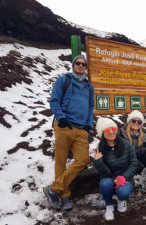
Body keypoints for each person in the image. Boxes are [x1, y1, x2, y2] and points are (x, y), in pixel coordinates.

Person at [43, 55, 94, 210]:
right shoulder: (63, 80)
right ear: (73, 65)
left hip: (81, 130)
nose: (80, 66)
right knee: (61, 161)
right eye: (78, 63)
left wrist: (88, 125)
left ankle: (54, 189)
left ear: (86, 68)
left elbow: (91, 107)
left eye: (83, 64)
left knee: (83, 159)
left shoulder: (89, 86)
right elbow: (54, 100)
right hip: (64, 125)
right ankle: (64, 196)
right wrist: (61, 117)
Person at [93, 118, 137, 221]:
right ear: (102, 133)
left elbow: (134, 163)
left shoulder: (126, 144)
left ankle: (121, 200)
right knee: (105, 184)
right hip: (110, 178)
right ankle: (109, 205)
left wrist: (124, 177)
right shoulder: (100, 148)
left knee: (123, 192)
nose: (111, 132)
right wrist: (99, 162)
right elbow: (105, 174)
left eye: (113, 128)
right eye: (107, 130)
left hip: (126, 178)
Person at [120, 110, 146, 195]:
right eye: (134, 121)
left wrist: (143, 150)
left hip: (139, 154)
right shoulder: (122, 133)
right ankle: (130, 183)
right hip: (127, 156)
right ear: (129, 121)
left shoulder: (143, 132)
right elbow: (122, 151)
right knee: (137, 164)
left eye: (139, 121)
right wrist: (136, 152)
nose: (136, 123)